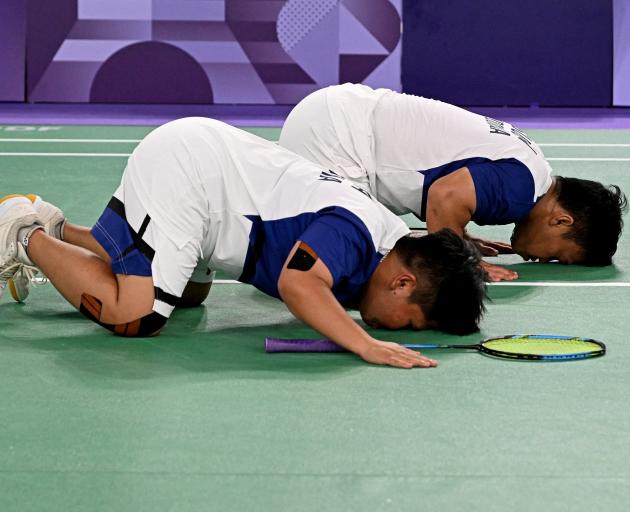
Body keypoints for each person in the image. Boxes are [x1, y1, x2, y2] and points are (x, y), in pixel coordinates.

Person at [0, 117, 486, 369]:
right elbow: (299, 285)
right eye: (412, 323)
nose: (399, 331)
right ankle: (23, 232)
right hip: (189, 174)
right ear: (403, 282)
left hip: (208, 195)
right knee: (137, 315)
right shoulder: (354, 230)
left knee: (188, 297)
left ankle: (60, 228)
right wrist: (364, 345)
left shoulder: (385, 248)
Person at [279, 83, 627, 281]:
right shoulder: (521, 190)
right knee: (363, 270)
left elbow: (448, 184)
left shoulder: (532, 165)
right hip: (335, 138)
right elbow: (444, 197)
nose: (544, 260)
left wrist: (459, 235)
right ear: (561, 220)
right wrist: (464, 259)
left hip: (336, 117)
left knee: (382, 245)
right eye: (558, 257)